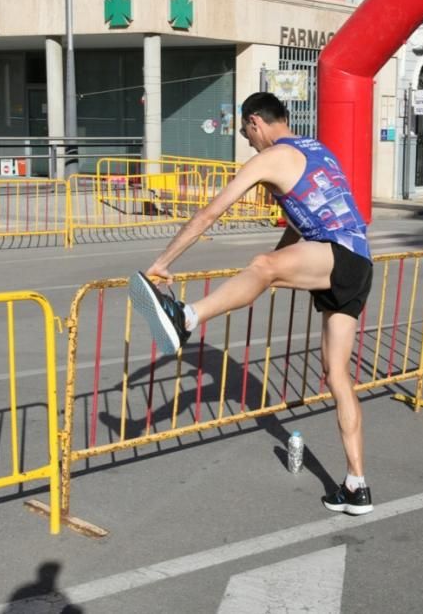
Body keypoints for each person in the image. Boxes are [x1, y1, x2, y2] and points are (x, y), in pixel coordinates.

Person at [128, 92, 375, 515]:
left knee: (261, 265)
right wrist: (283, 264)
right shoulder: (316, 148)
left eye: (245, 132)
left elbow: (210, 213)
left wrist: (162, 263)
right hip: (358, 263)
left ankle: (185, 317)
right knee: (337, 376)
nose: (247, 141)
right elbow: (304, 223)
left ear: (256, 122)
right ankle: (356, 486)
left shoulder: (270, 158)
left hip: (337, 256)